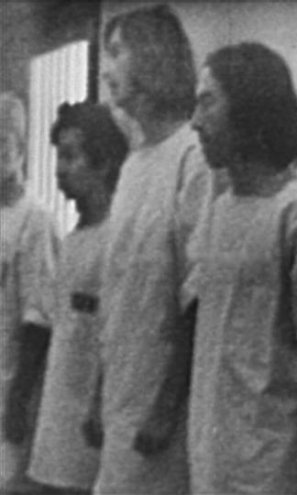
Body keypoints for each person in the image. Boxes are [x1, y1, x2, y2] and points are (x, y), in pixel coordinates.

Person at [187, 41, 297, 495]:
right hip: (212, 460)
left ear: (249, 108)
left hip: (273, 467)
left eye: (208, 102)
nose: (196, 121)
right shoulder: (218, 211)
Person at [95, 5, 214, 494]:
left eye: (117, 52)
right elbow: (119, 295)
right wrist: (97, 393)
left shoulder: (193, 156)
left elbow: (197, 296)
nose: (107, 71)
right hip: (121, 391)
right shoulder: (135, 163)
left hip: (164, 410)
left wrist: (164, 408)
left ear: (151, 56)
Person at [27, 102, 129, 495]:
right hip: (56, 423)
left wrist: (99, 402)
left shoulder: (115, 240)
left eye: (71, 157)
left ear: (103, 163)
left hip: (90, 428)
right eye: (58, 157)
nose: (60, 169)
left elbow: (113, 335)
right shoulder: (72, 241)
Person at [0, 92, 59, 495]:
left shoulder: (35, 220)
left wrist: (18, 399)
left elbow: (39, 319)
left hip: (9, 389)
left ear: (20, 148)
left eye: (1, 143)